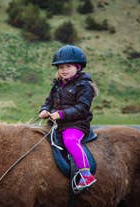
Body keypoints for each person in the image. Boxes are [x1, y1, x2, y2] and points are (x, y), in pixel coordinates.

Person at [39, 45, 97, 190]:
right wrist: (45, 110)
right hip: (57, 124)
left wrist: (61, 114)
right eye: (60, 67)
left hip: (76, 124)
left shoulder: (85, 86)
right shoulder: (57, 85)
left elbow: (82, 108)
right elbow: (49, 101)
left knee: (70, 140)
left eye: (68, 66)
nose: (63, 70)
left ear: (78, 67)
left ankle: (86, 174)